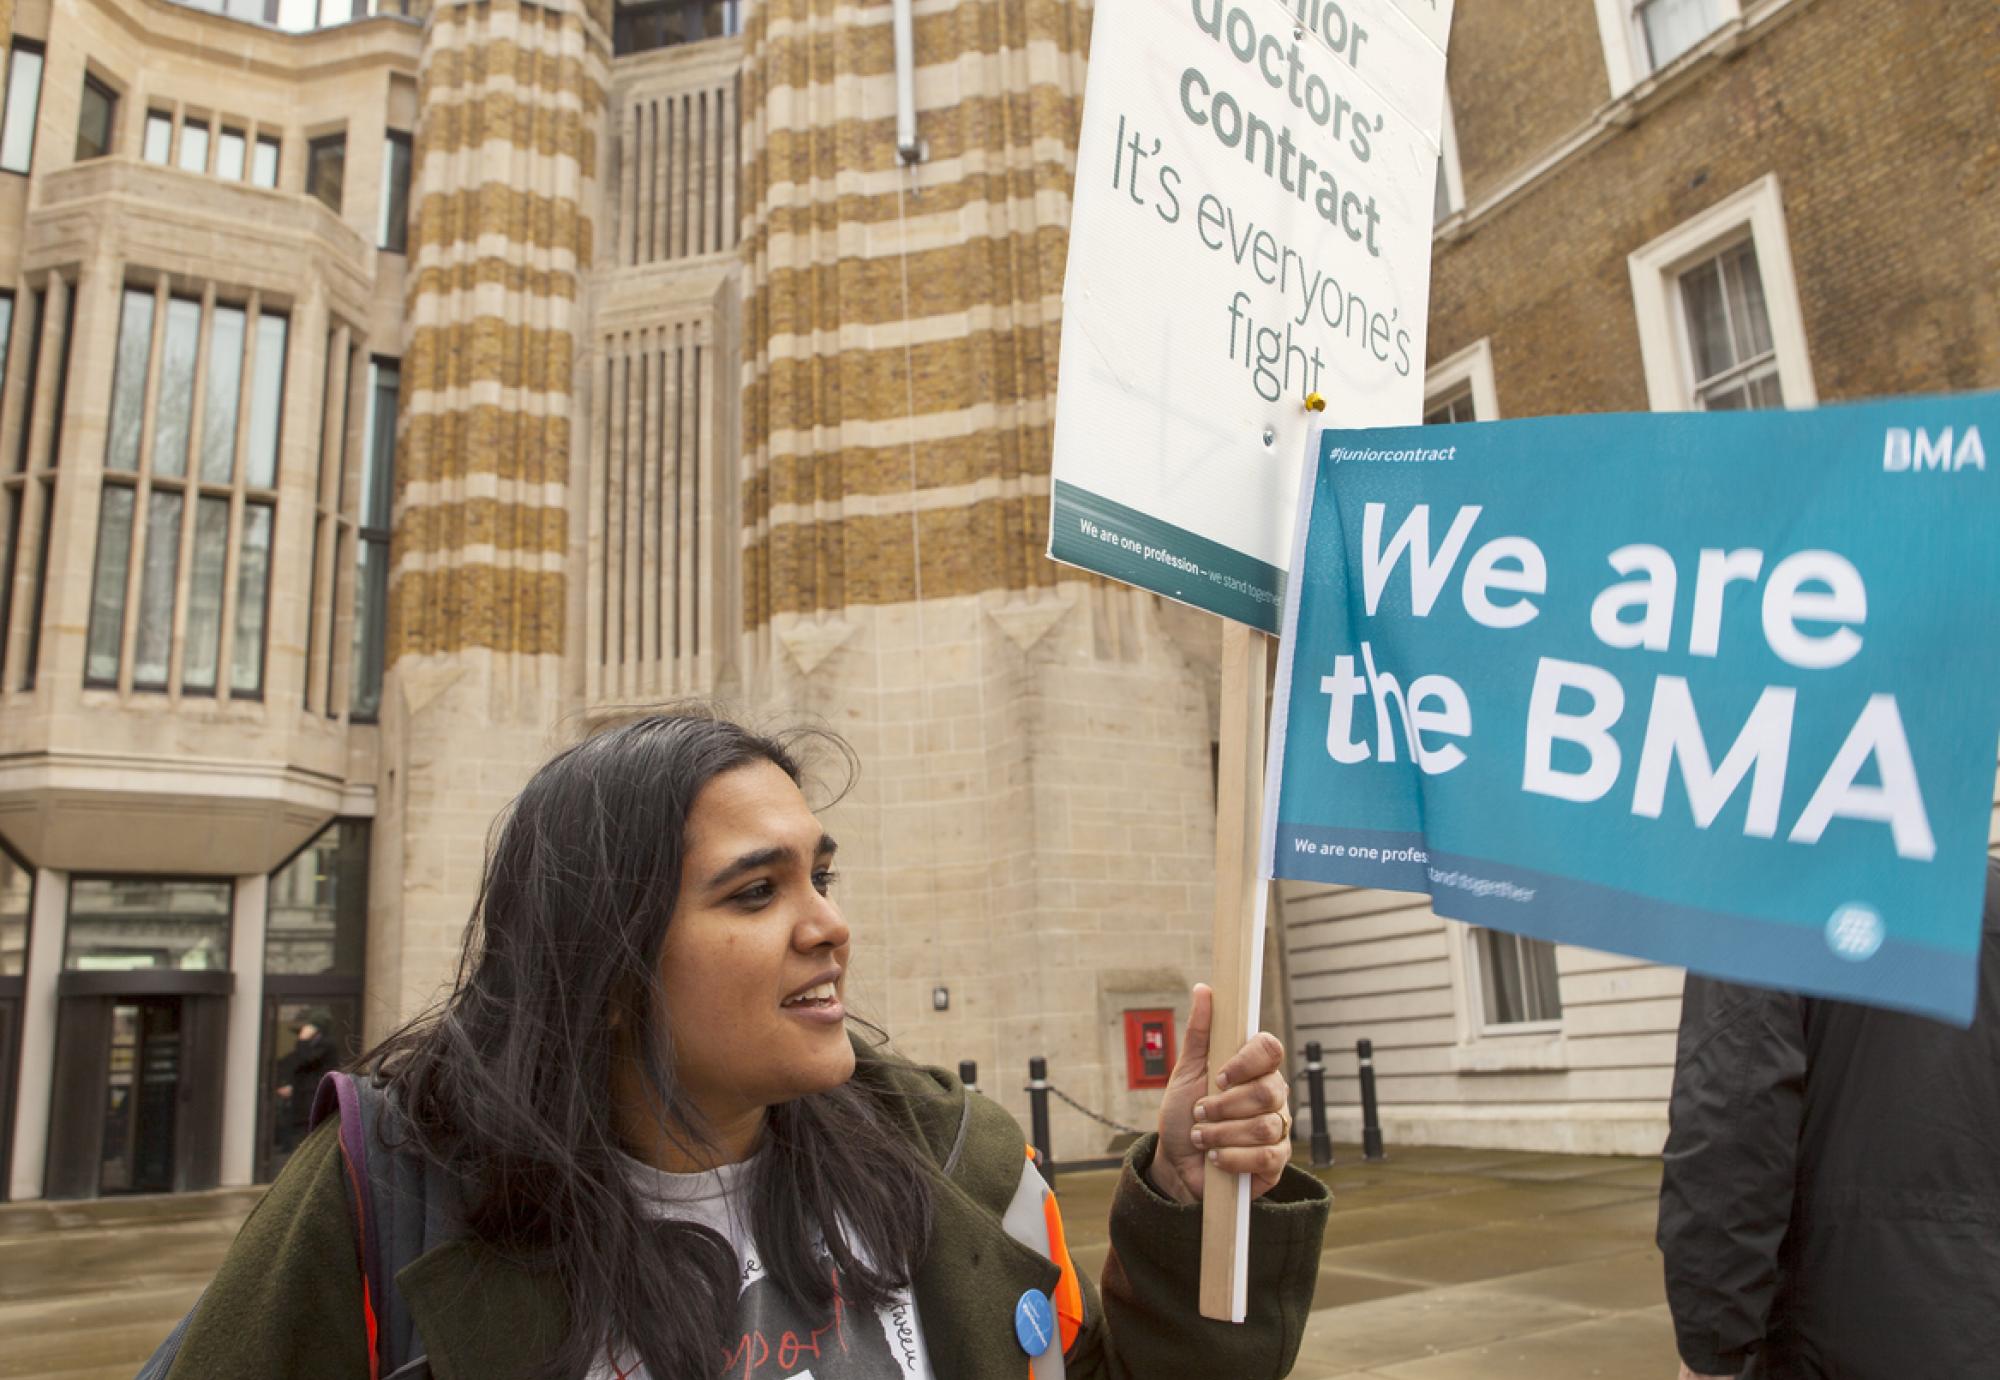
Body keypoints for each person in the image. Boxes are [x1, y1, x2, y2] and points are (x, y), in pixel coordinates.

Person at [162, 712, 1330, 1378]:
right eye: (753, 892)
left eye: (819, 875)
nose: (829, 924)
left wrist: (1185, 1211)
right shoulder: (387, 1196)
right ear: (607, 961)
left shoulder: (959, 1165)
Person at [1657, 857, 2000, 1380]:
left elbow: (1729, 1128)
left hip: (1836, 1324)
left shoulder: (1763, 892)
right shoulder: (1989, 893)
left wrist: (1712, 1342)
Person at [271, 1014, 335, 1154]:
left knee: (308, 1128)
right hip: (304, 1094)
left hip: (314, 1095)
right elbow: (300, 1067)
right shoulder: (313, 1044)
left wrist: (302, 1041)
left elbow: (307, 1060)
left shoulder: (325, 1043)